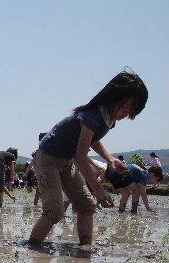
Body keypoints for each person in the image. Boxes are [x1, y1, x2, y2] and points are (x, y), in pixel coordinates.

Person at [29, 70, 148, 245]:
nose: (125, 114)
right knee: (54, 211)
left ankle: (85, 249)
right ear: (112, 97)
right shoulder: (93, 115)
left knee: (87, 205)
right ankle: (32, 248)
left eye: (131, 111)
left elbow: (93, 140)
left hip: (65, 161)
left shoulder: (109, 118)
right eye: (124, 107)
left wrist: (110, 159)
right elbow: (81, 155)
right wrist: (99, 190)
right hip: (48, 159)